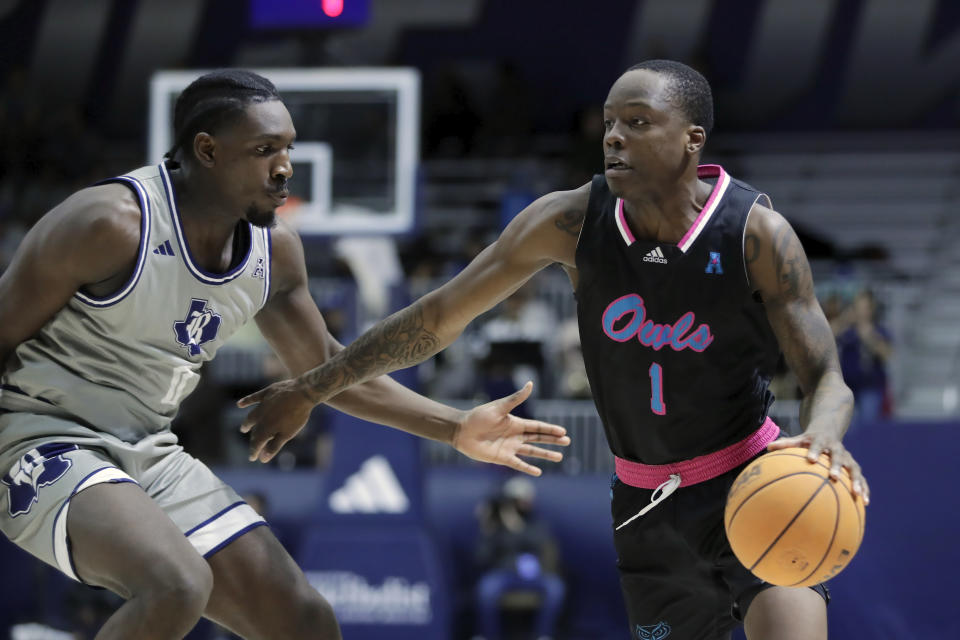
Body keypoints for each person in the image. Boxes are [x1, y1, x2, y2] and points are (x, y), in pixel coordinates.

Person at [240, 60, 873, 639]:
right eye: (609, 123)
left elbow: (827, 376)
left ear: (692, 139)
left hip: (751, 479)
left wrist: (825, 434)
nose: (614, 137)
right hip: (643, 501)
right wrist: (310, 388)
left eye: (638, 122)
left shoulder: (755, 234)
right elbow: (436, 318)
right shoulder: (570, 220)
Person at [0, 69, 571, 640]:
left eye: (288, 147)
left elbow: (330, 372)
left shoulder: (274, 253)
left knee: (305, 622)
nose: (285, 167)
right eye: (264, 149)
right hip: (40, 436)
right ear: (207, 151)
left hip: (147, 449)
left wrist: (455, 427)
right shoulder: (108, 223)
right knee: (175, 585)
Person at [472, 476, 565, 640]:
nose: (522, 504)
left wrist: (516, 526)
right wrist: (488, 528)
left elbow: (539, 542)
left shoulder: (537, 522)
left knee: (555, 588)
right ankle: (488, 636)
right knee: (486, 589)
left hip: (535, 575)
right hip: (505, 574)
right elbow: (481, 558)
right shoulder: (497, 526)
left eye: (524, 499)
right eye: (516, 500)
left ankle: (544, 635)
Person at [832, 288, 893, 427]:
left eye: (863, 307)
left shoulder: (878, 330)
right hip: (847, 388)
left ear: (871, 309)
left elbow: (886, 354)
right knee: (847, 427)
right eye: (857, 306)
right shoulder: (846, 329)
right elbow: (825, 335)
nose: (860, 311)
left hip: (870, 388)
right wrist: (843, 320)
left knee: (868, 427)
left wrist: (868, 336)